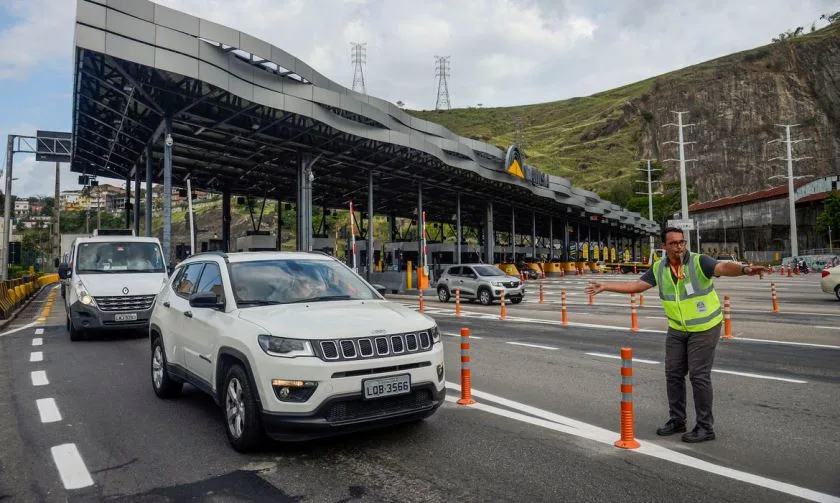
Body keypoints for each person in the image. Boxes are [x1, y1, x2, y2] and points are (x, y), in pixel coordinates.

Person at [584, 226, 764, 443]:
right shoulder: (659, 268)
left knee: (698, 375)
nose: (679, 247)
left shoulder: (699, 261)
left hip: (705, 327)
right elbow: (637, 285)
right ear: (664, 246)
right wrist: (605, 286)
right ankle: (677, 419)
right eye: (674, 243)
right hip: (678, 328)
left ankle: (705, 427)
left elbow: (723, 267)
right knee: (673, 373)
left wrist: (744, 269)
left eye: (682, 242)